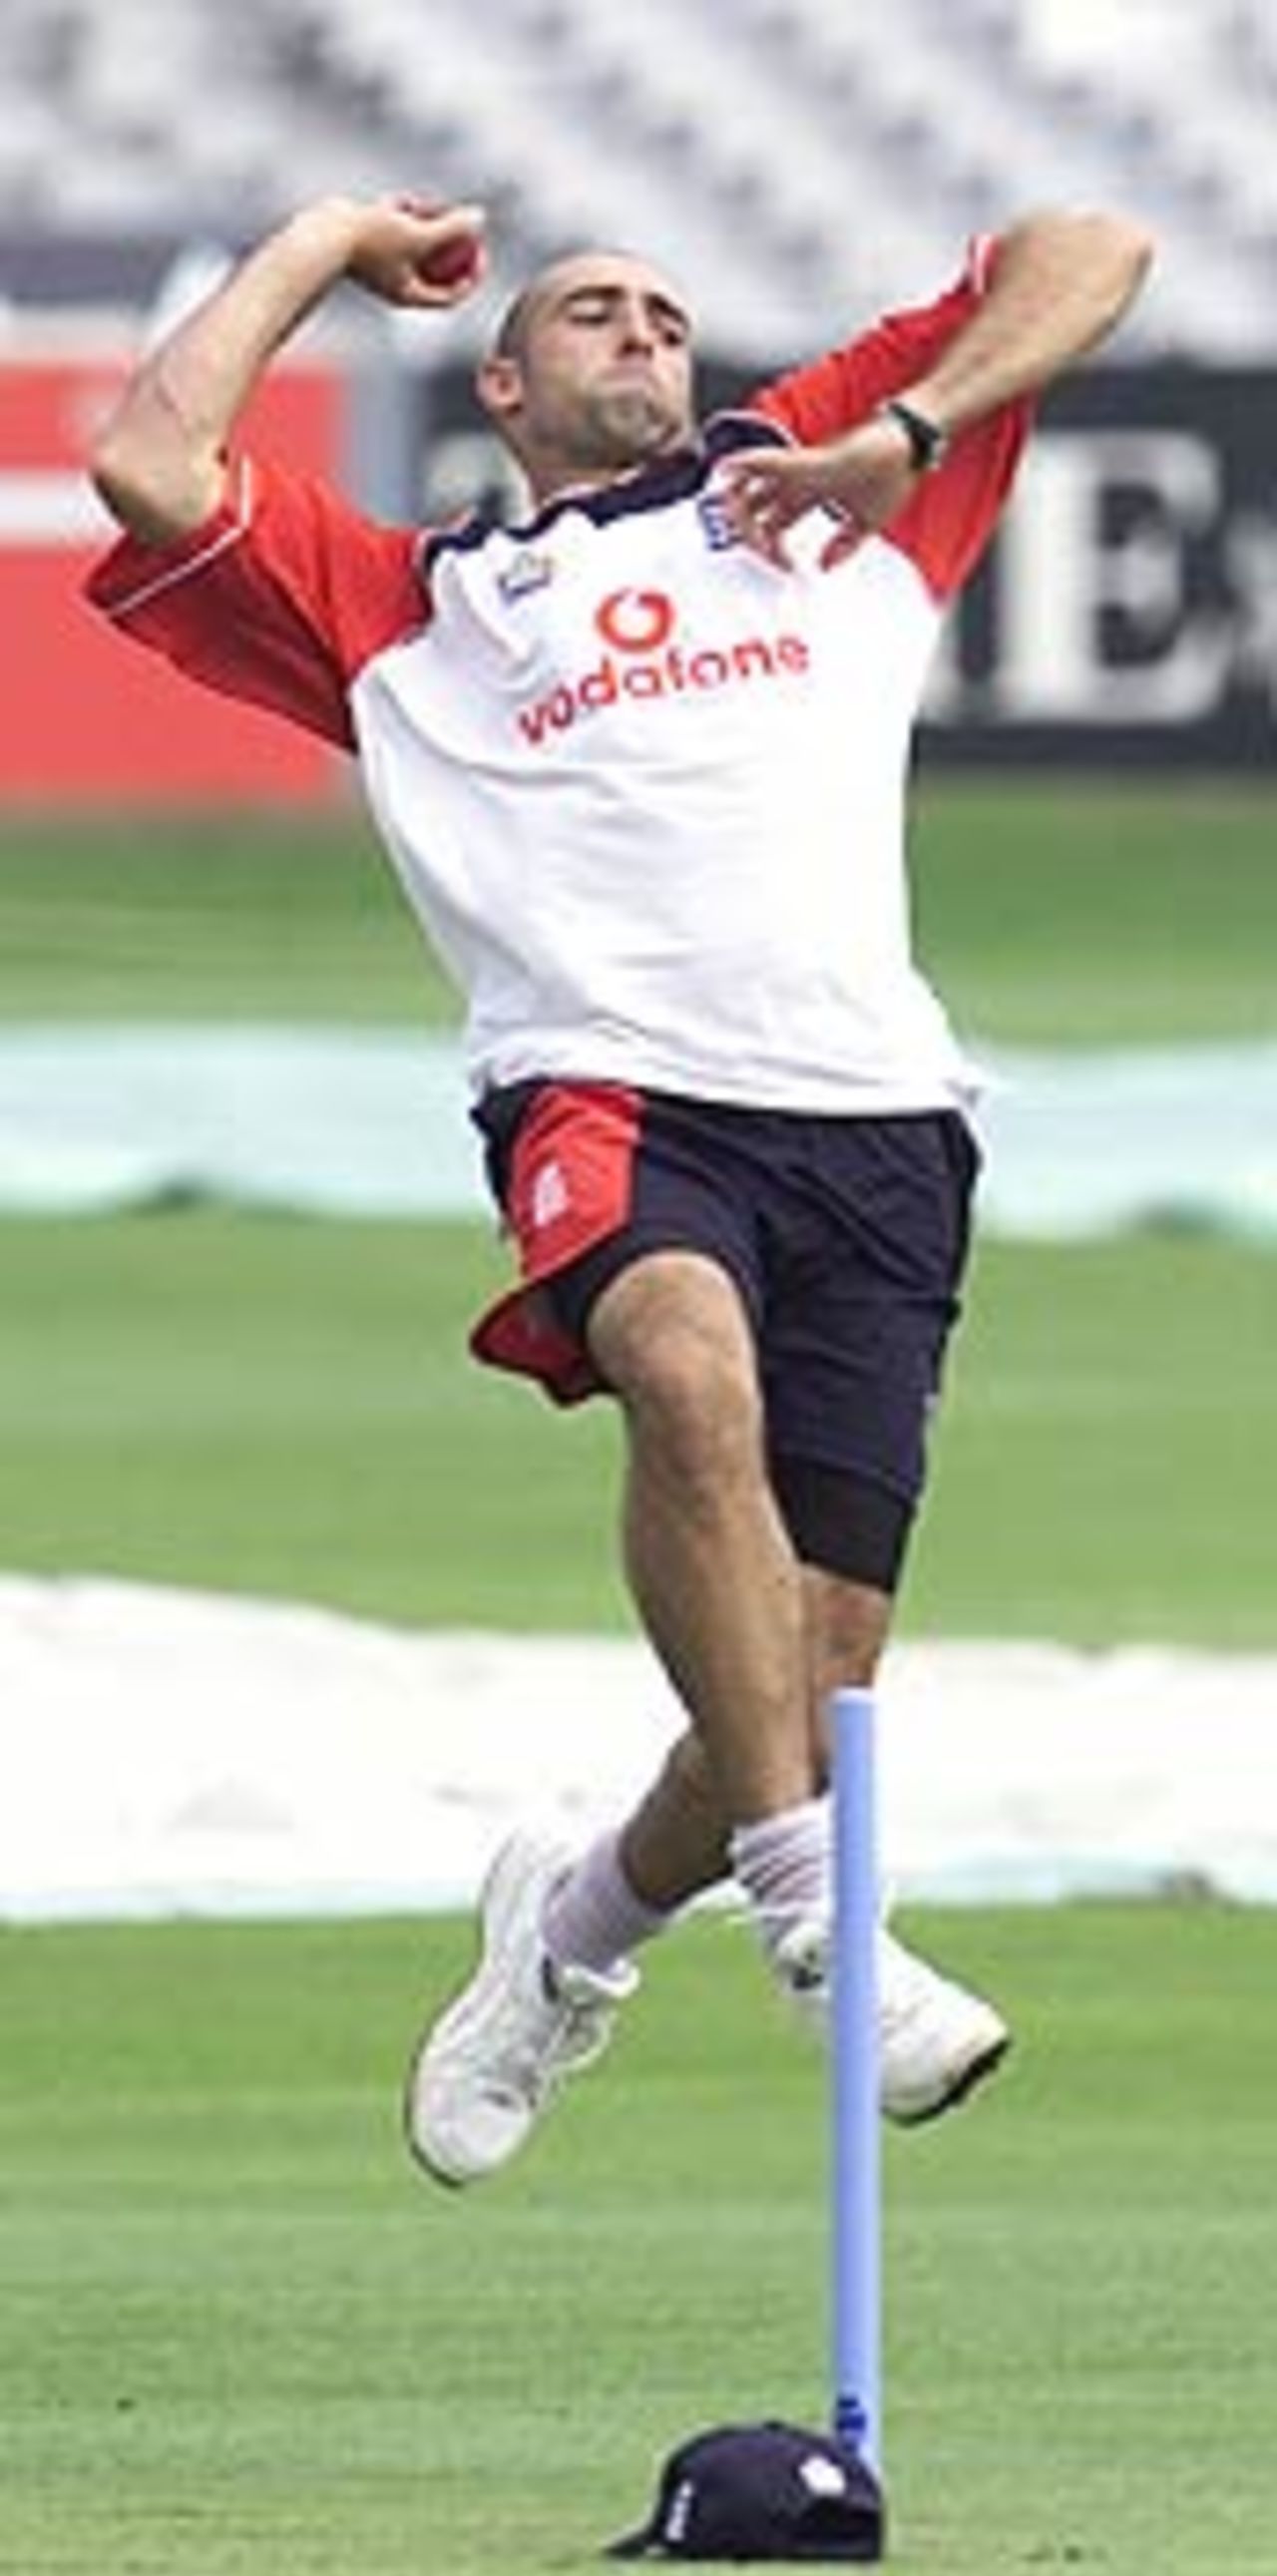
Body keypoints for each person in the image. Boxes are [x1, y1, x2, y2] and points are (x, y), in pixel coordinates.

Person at [87, 190, 1152, 2188]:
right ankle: (823, 1922)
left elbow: (1087, 241)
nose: (645, 334)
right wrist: (321, 238)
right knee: (681, 1365)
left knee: (808, 1682)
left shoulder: (814, 472)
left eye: (669, 314)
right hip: (610, 1091)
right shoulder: (409, 598)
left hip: (877, 1119)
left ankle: (572, 1928)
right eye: (593, 311)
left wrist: (898, 437)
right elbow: (149, 464)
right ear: (504, 378)